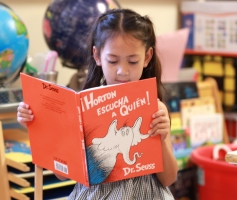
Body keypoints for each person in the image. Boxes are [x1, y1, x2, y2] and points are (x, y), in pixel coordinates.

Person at [17, 8, 178, 200]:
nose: (122, 71)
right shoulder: (81, 111)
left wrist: (162, 139)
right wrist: (38, 127)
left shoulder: (155, 108)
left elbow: (168, 179)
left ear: (147, 57)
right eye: (113, 60)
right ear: (97, 56)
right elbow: (63, 173)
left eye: (133, 61)